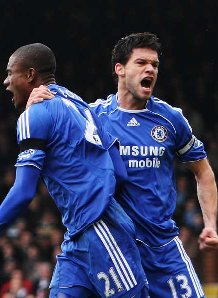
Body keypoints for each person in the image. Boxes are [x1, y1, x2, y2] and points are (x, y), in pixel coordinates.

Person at [28, 33, 218, 297]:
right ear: (119, 69)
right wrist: (39, 101)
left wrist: (210, 224)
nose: (150, 69)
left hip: (161, 249)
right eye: (141, 62)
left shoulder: (171, 120)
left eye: (154, 64)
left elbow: (204, 172)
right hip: (112, 247)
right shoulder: (95, 117)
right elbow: (59, 126)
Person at [0, 43, 149, 298]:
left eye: (10, 72)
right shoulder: (81, 105)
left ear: (30, 75)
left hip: (98, 227)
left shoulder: (33, 115)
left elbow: (24, 192)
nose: (5, 81)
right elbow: (120, 172)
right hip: (80, 235)